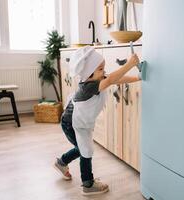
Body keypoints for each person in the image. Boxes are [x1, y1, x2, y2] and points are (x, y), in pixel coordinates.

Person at [53, 45, 140, 196]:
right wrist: (129, 64)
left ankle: (61, 163)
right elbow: (112, 78)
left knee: (83, 149)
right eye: (100, 69)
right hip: (71, 123)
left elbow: (117, 79)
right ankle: (88, 184)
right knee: (85, 150)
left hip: (80, 123)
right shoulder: (89, 86)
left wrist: (137, 78)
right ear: (88, 73)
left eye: (103, 68)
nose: (104, 72)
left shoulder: (96, 80)